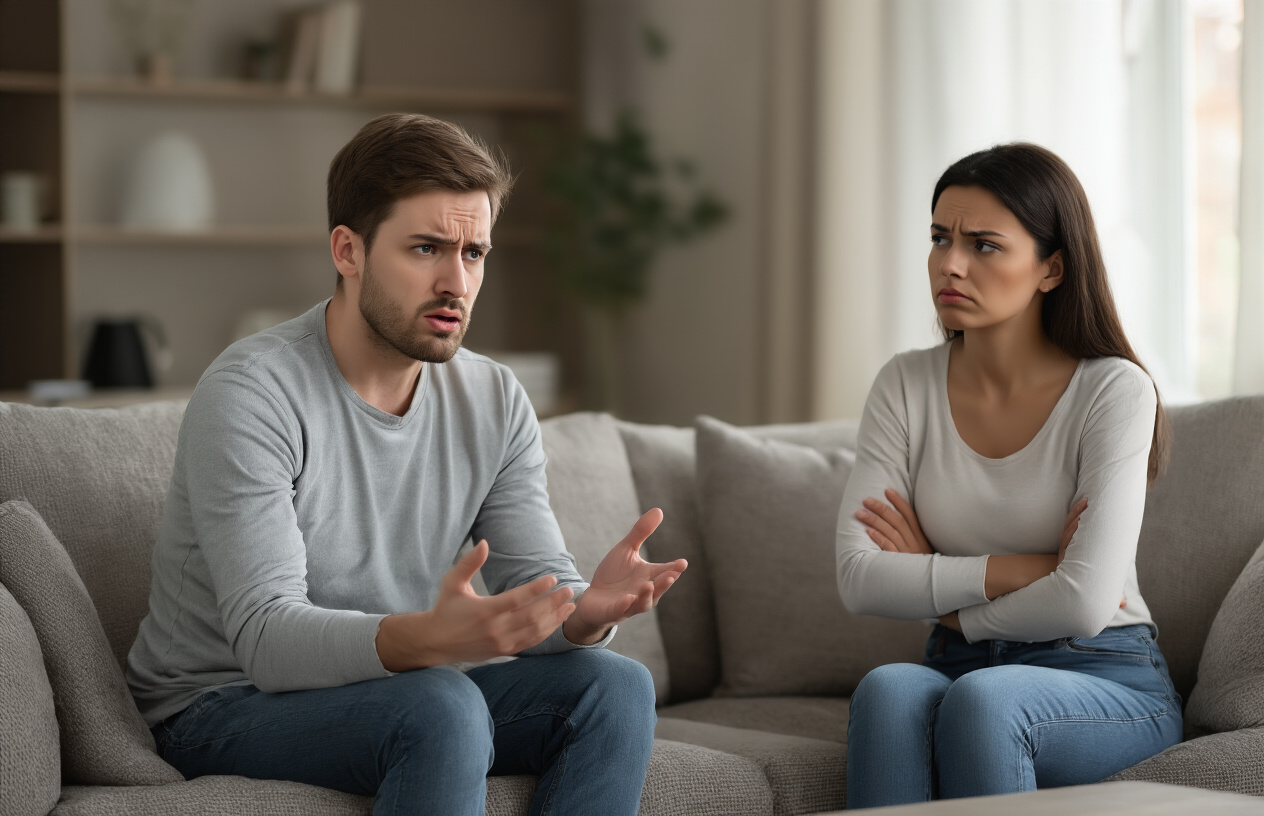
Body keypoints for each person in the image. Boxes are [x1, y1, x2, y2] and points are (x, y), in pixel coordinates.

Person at [125, 112, 687, 816]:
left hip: (401, 682)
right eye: (426, 248)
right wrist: (428, 638)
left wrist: (582, 615)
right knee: (441, 703)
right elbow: (266, 638)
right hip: (218, 702)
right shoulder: (252, 392)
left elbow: (537, 589)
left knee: (614, 684)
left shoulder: (494, 398)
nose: (457, 281)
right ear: (348, 251)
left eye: (475, 253)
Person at [835, 143, 1182, 808]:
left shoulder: (1114, 390)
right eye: (940, 238)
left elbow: (1083, 604)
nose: (950, 264)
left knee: (985, 703)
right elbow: (858, 576)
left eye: (984, 245)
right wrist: (1027, 567)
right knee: (886, 690)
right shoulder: (905, 384)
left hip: (1102, 672)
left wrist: (942, 596)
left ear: (1051, 267)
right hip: (958, 667)